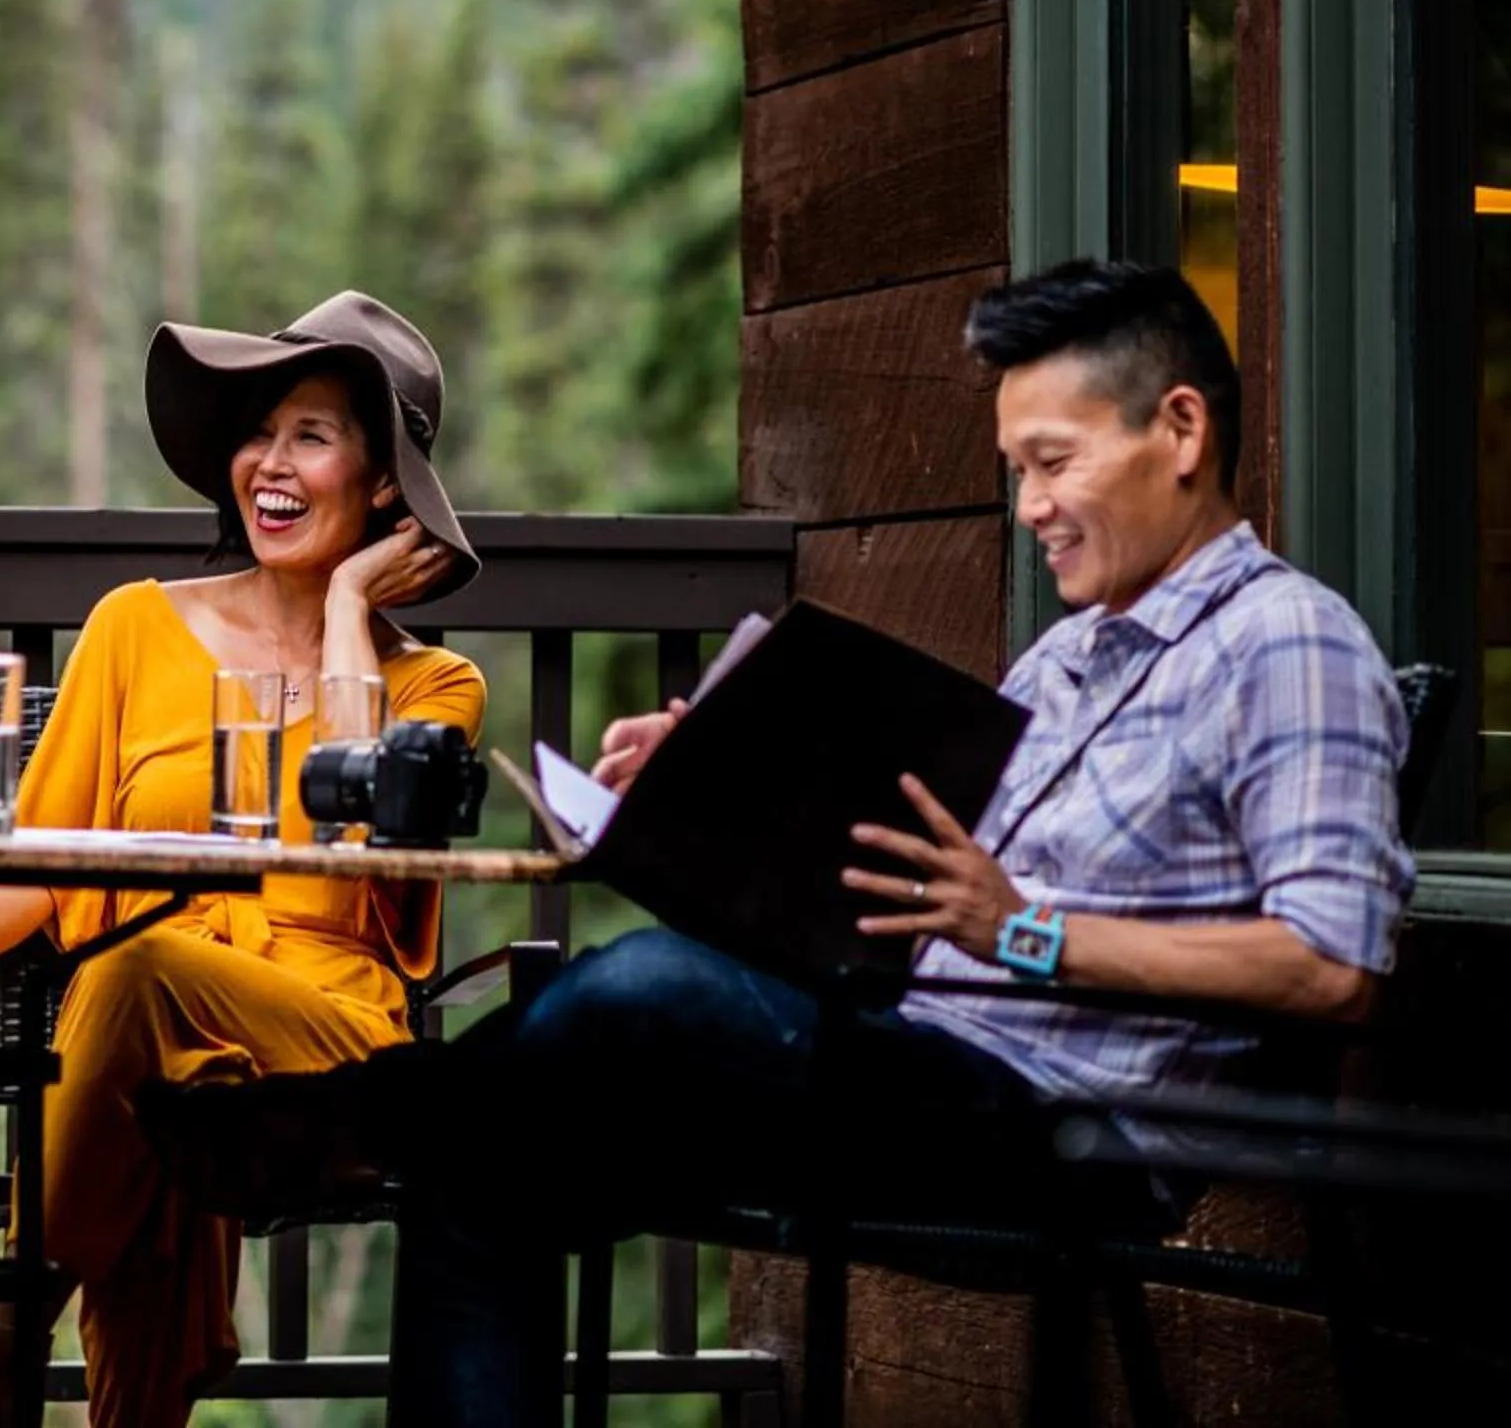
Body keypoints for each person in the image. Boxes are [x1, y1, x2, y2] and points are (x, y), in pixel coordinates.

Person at [147, 260, 1416, 1428]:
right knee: (490, 1172)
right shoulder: (1072, 655)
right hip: (907, 1050)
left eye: (1052, 463)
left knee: (641, 987)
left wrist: (1018, 926)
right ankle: (378, 1124)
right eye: (1014, 470)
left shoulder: (1288, 647)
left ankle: (346, 1119)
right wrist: (721, 790)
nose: (1029, 506)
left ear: (1181, 431)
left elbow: (1332, 969)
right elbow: (919, 874)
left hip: (1060, 1127)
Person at [0, 292, 489, 1428]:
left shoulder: (434, 688)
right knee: (147, 1036)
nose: (268, 463)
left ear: (384, 488)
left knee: (134, 981)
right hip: (149, 1047)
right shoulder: (132, 625)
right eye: (258, 431)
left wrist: (345, 612)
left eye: (311, 435)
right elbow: (48, 862)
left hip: (329, 1049)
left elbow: (347, 867)